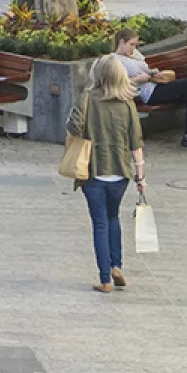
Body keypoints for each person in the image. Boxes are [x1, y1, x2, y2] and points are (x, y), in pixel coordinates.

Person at [67, 55, 148, 293]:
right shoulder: (127, 103)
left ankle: (104, 279)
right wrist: (140, 177)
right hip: (120, 172)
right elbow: (136, 142)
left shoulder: (87, 98)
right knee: (114, 218)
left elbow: (74, 128)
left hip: (93, 170)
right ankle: (116, 266)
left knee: (99, 224)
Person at [112, 28, 187, 149]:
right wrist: (138, 79)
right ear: (121, 42)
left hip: (156, 85)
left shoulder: (134, 54)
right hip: (148, 94)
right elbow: (116, 83)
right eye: (131, 44)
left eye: (136, 45)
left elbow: (145, 68)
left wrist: (153, 73)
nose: (134, 48)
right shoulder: (114, 60)